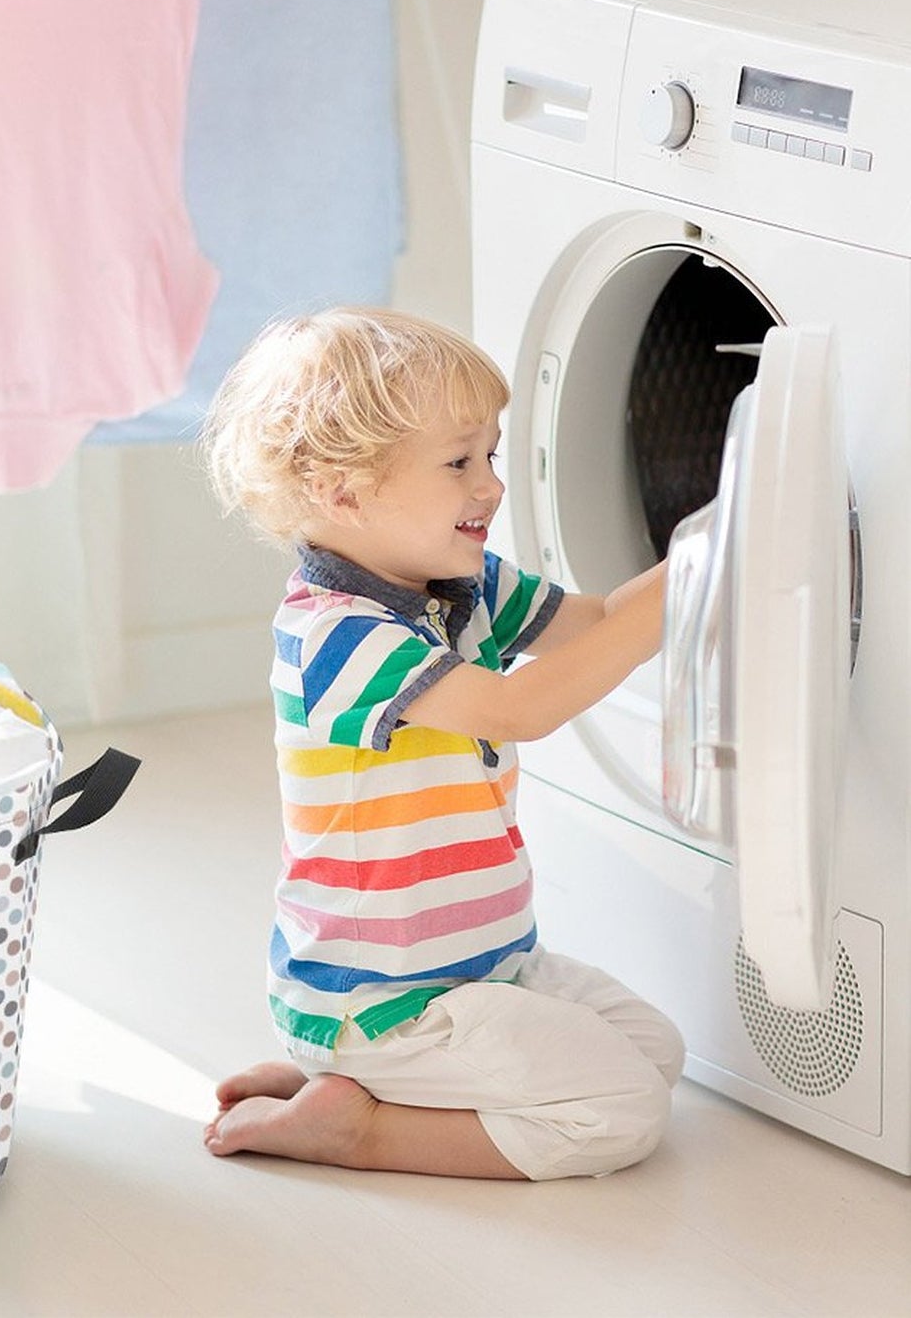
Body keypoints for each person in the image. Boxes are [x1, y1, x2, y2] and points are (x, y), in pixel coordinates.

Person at [199, 306, 683, 1181]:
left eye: (488, 455)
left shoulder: (460, 585)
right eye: (459, 461)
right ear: (341, 492)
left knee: (658, 1053)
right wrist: (686, 582)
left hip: (489, 962)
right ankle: (356, 1124)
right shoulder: (335, 635)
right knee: (621, 1112)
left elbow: (595, 625)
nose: (490, 485)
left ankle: (350, 1082)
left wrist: (703, 551)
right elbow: (514, 708)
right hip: (384, 995)